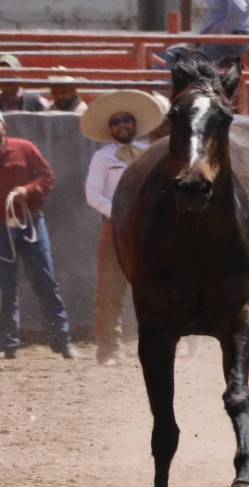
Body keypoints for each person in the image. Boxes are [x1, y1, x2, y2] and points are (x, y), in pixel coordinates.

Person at [0, 105, 76, 360]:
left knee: (45, 280)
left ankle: (62, 342)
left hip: (30, 223)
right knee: (3, 287)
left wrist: (28, 190)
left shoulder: (25, 149)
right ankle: (7, 344)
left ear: (4, 127)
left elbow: (47, 178)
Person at [81, 90, 164, 366]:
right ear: (110, 129)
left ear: (134, 123)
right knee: (110, 289)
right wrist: (120, 214)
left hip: (150, 229)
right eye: (115, 123)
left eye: (126, 120)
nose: (121, 127)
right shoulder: (103, 157)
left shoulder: (150, 152)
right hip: (115, 227)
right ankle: (108, 349)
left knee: (155, 287)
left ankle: (155, 344)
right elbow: (93, 195)